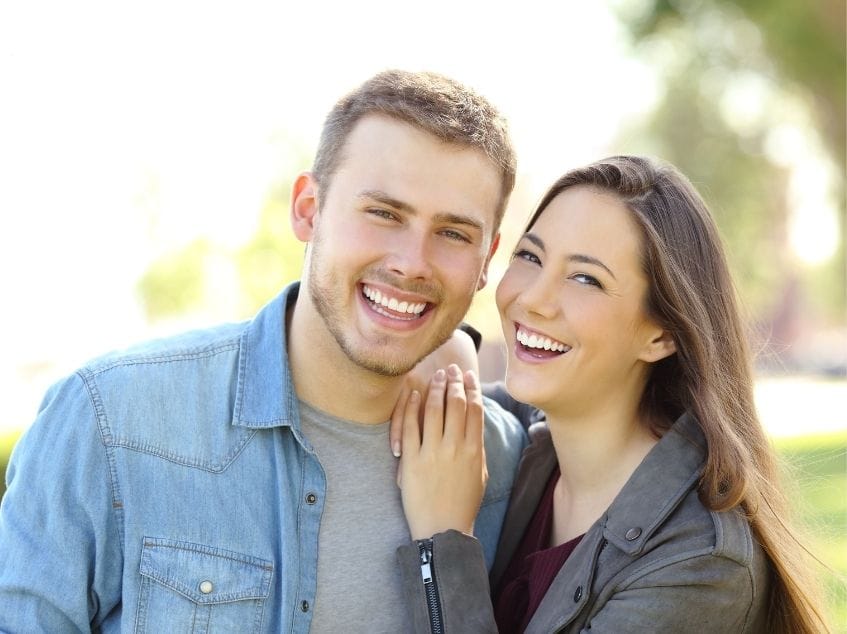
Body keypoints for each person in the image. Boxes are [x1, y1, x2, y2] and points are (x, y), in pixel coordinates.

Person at [0, 69, 527, 632]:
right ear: (308, 209)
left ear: (486, 259)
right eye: (383, 213)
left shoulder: (505, 463)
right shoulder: (109, 419)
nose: (412, 262)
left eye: (453, 234)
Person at [394, 155, 829, 632]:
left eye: (586, 278)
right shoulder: (527, 444)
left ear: (662, 334)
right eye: (531, 256)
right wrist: (451, 349)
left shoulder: (698, 565)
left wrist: (443, 541)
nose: (533, 298)